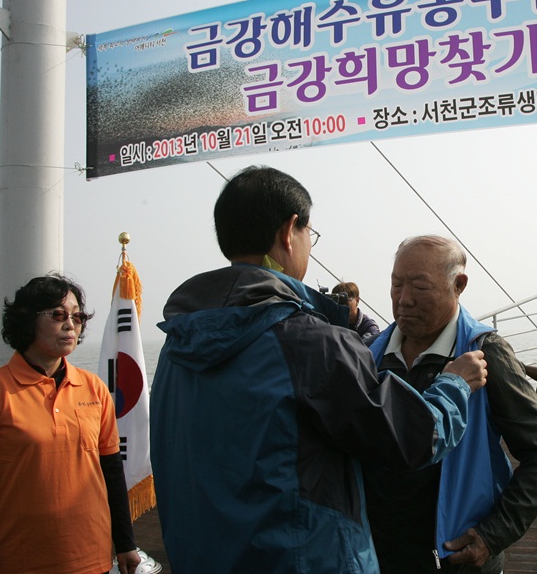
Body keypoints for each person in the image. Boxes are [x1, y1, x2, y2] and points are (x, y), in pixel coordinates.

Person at [149, 165, 488, 574]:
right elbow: (415, 437)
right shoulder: (309, 341)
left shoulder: (178, 342)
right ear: (289, 231)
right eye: (310, 233)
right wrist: (454, 384)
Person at [364, 235, 537, 573]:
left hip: (455, 559)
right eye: (396, 284)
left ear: (458, 285)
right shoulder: (369, 355)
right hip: (375, 555)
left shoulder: (486, 353)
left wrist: (492, 536)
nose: (404, 299)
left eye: (420, 287)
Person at [0, 275, 140, 574]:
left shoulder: (94, 388)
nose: (71, 324)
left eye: (77, 316)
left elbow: (111, 472)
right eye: (58, 315)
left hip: (91, 557)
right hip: (18, 560)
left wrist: (125, 543)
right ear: (27, 320)